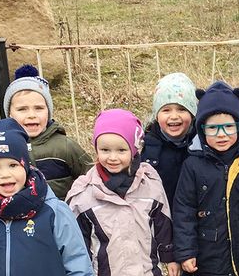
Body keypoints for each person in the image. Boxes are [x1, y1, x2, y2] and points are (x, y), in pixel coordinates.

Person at [174, 81, 239, 276]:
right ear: (201, 129)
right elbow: (184, 210)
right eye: (213, 128)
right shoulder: (193, 164)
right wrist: (186, 252)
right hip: (208, 257)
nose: (221, 135)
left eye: (228, 127)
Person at [67, 109, 179, 276]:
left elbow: (163, 225)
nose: (113, 157)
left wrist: (169, 257)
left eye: (121, 150)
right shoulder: (84, 194)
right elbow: (76, 243)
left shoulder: (150, 184)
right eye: (105, 150)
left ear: (134, 150)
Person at [0, 118, 93, 276]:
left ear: (26, 165)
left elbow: (78, 266)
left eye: (13, 165)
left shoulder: (54, 212)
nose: (5, 175)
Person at [4, 64, 92, 199]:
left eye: (39, 108)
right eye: (22, 109)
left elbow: (91, 178)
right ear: (10, 114)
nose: (31, 115)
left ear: (48, 111)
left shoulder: (65, 147)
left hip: (60, 216)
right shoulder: (3, 148)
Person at [142, 72, 198, 208]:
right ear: (156, 115)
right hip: (159, 219)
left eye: (182, 109)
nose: (174, 116)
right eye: (166, 110)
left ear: (192, 113)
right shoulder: (145, 147)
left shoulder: (200, 144)